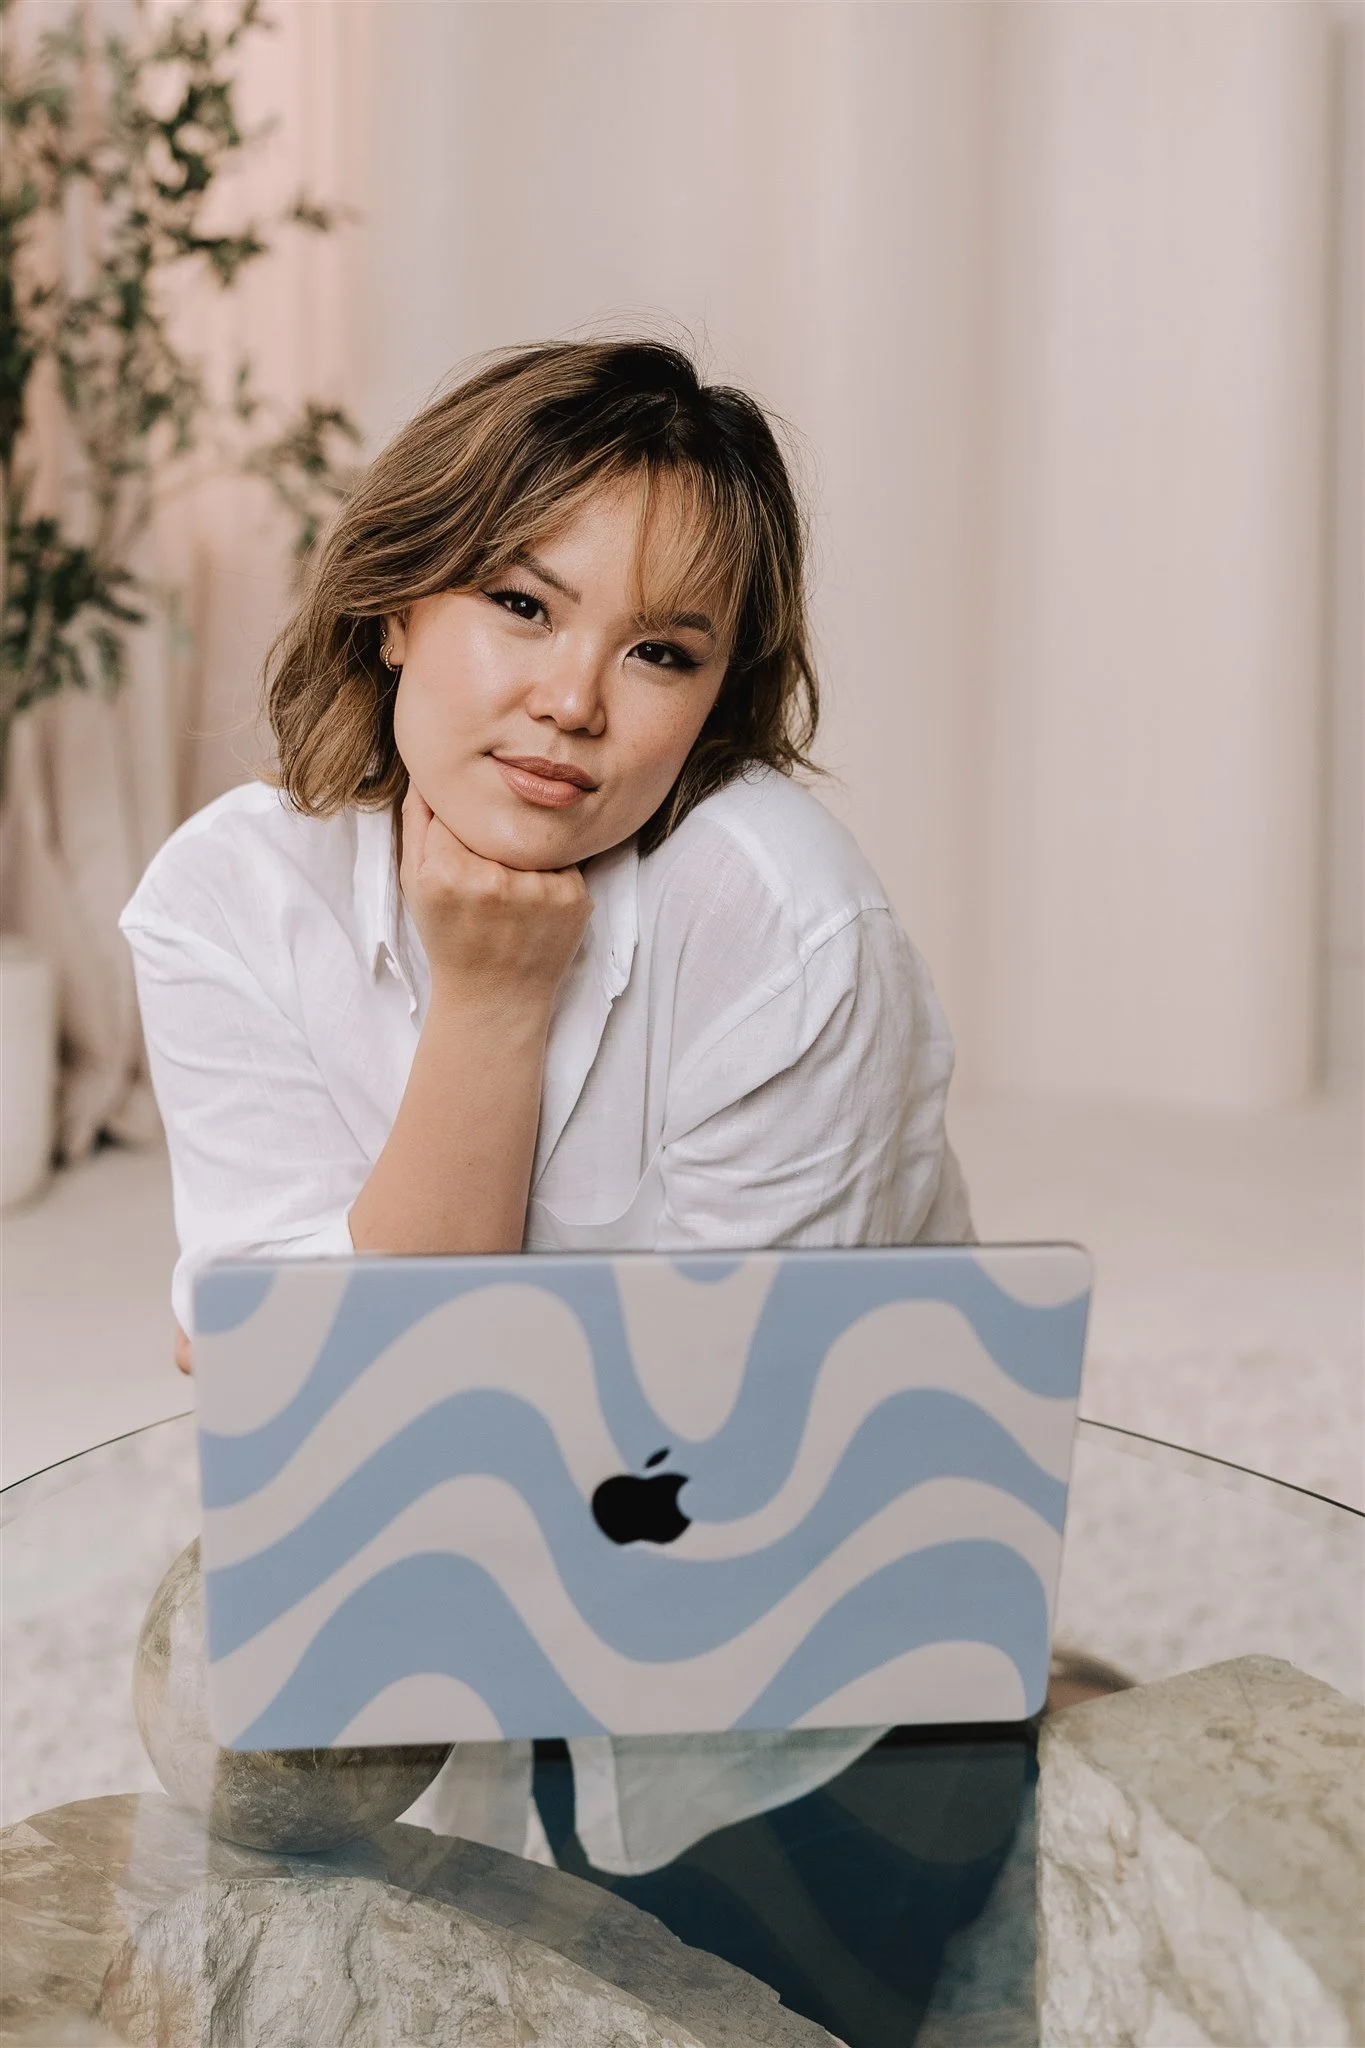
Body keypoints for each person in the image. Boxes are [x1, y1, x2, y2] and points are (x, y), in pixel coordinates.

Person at [120, 336, 974, 1870]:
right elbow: (317, 1422)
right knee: (240, 1823)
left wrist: (326, 1341)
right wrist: (490, 1009)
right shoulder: (227, 901)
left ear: (714, 702)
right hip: (436, 1607)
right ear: (396, 604)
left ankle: (1042, 1716)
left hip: (772, 1661)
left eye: (663, 652)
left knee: (812, 1950)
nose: (573, 700)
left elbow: (714, 1464)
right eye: (521, 605)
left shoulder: (783, 925)